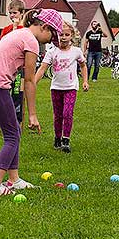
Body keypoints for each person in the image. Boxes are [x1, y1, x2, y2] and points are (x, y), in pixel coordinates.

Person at [0, 8, 63, 196]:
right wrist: (32, 114)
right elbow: (30, 80)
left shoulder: (20, 33)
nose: (50, 41)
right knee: (12, 136)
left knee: (14, 130)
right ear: (44, 26)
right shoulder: (31, 41)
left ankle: (13, 179)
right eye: (51, 36)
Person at [35, 22, 89, 153]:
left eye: (67, 35)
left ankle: (66, 139)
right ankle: (57, 138)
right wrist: (33, 82)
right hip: (56, 87)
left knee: (68, 113)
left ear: (72, 36)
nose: (63, 37)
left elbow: (83, 65)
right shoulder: (52, 52)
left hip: (71, 87)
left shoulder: (76, 52)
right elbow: (43, 68)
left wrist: (85, 81)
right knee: (58, 115)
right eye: (61, 34)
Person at [0, 0, 26, 129]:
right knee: (3, 94)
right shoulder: (6, 30)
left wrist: (17, 28)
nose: (12, 16)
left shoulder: (25, 30)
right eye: (10, 13)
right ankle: (2, 121)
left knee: (17, 95)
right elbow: (2, 46)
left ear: (22, 13)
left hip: (19, 68)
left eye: (15, 13)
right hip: (6, 68)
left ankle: (17, 122)